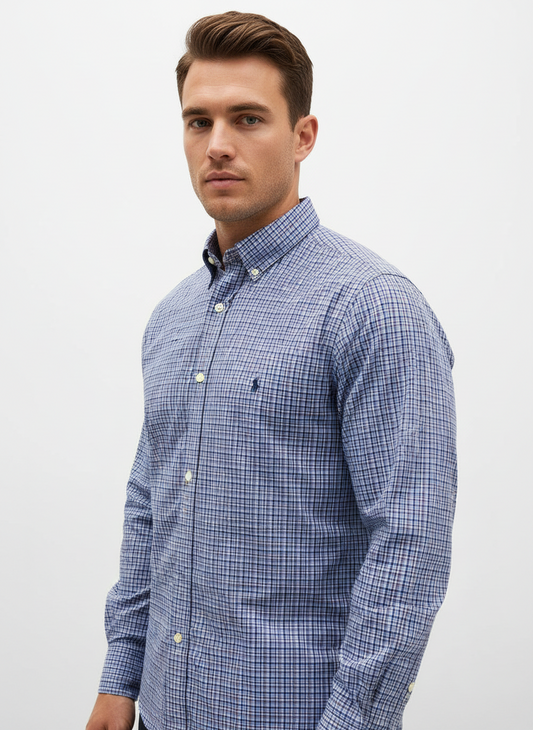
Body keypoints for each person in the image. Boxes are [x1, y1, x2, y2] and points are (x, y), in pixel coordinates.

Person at [86, 11, 457, 730]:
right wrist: (120, 675)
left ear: (302, 136)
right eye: (198, 122)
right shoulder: (172, 316)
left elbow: (410, 541)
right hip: (160, 709)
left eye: (248, 118)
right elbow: (148, 503)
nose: (218, 145)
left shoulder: (371, 306)